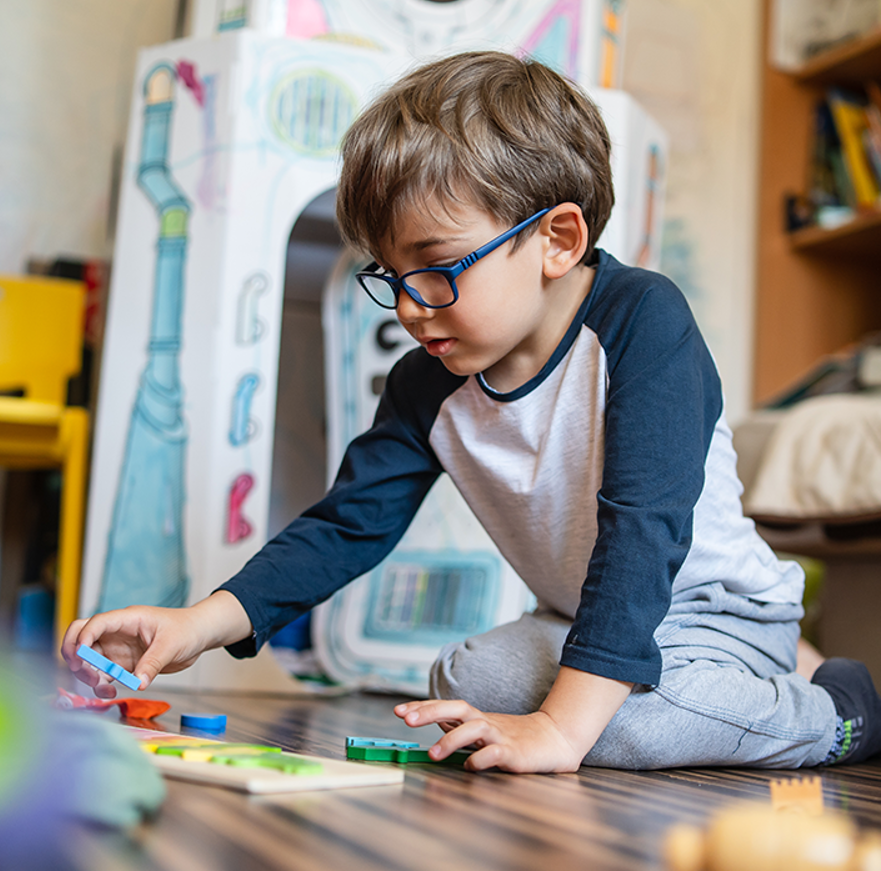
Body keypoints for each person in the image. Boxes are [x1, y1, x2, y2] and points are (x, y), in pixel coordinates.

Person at [64, 51, 881, 774]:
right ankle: (743, 688)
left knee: (624, 728)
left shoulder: (644, 324)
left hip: (710, 615)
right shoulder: (430, 382)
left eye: (439, 268)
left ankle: (837, 706)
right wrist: (196, 625)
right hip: (577, 616)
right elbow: (349, 525)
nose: (412, 308)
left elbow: (642, 531)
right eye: (390, 275)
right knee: (466, 681)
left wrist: (561, 729)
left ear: (558, 239)